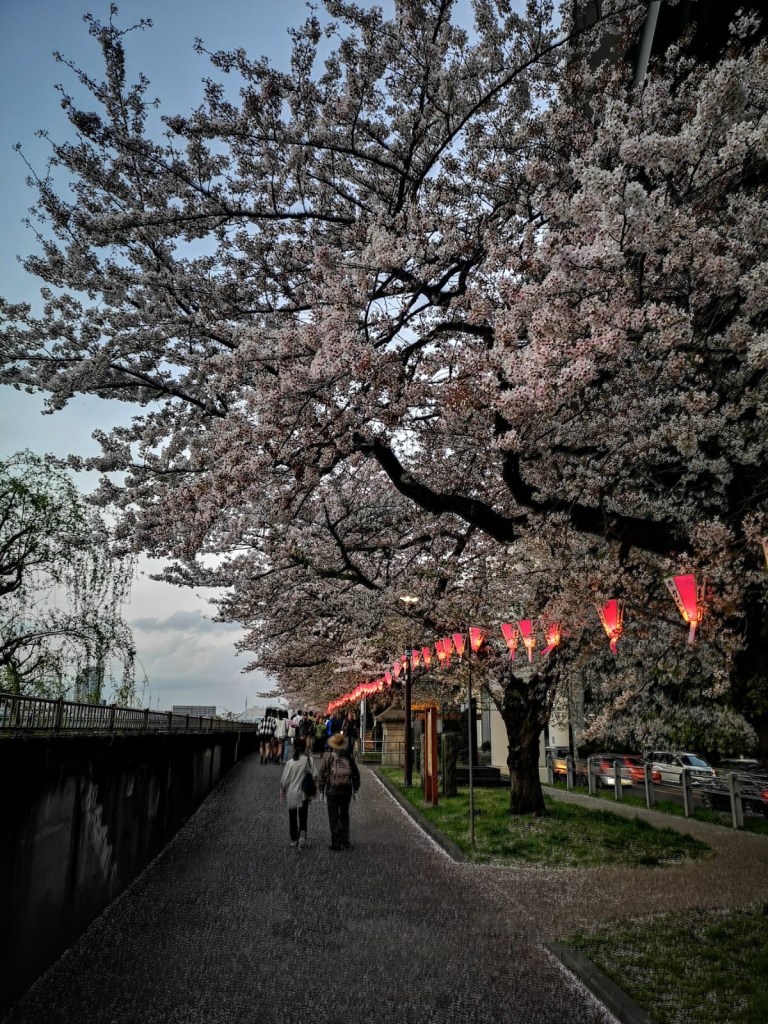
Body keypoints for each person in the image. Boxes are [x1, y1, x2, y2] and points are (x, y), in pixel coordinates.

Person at [318, 731, 361, 851]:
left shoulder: (329, 757)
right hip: (346, 791)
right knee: (344, 815)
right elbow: (355, 774)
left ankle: (335, 843)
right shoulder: (349, 756)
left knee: (333, 816)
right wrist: (355, 789)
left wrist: (321, 790)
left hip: (332, 790)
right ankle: (345, 841)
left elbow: (322, 774)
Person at [279, 737, 319, 849]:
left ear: (294, 748)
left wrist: (282, 790)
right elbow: (315, 776)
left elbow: (284, 780)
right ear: (305, 747)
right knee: (303, 816)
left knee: (292, 816)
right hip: (304, 793)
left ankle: (293, 839)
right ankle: (302, 837)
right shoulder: (309, 760)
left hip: (292, 793)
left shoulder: (290, 763)